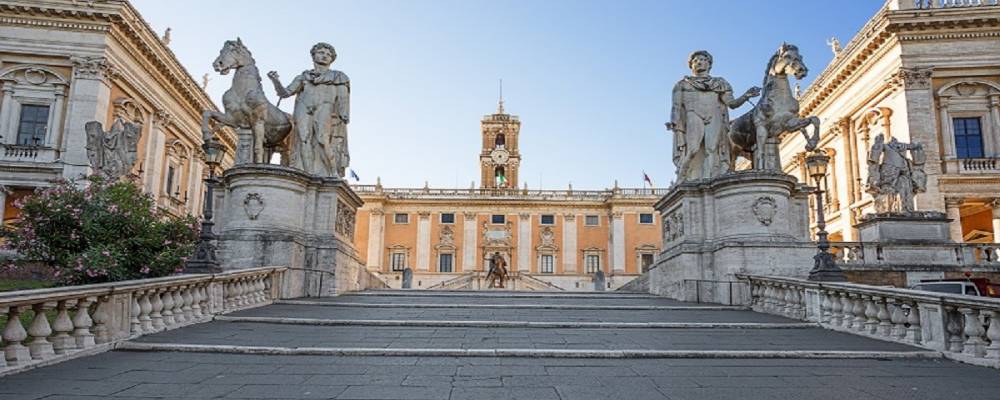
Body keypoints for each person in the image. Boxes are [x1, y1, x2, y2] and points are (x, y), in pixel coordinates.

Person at [668, 51, 760, 181]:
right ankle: (682, 177)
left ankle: (707, 181)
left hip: (715, 115)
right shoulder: (682, 85)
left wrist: (746, 96)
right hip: (693, 114)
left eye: (702, 59)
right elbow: (676, 106)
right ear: (691, 65)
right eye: (695, 61)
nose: (699, 62)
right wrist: (674, 120)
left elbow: (731, 104)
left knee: (712, 149)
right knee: (693, 149)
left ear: (709, 64)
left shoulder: (719, 83)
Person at [267, 42, 350, 177]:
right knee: (303, 139)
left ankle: (333, 172)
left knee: (323, 139)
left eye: (328, 55)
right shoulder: (303, 77)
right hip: (303, 107)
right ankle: (307, 174)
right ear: (313, 55)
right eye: (321, 53)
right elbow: (285, 93)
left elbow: (343, 98)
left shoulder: (338, 76)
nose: (325, 56)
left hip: (325, 106)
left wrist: (343, 114)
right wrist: (275, 81)